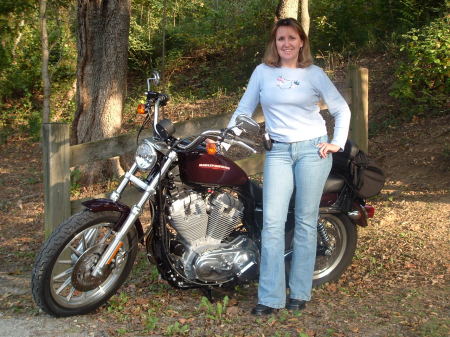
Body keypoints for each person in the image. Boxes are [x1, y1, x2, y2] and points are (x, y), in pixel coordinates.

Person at [227, 17, 351, 315]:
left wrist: (337, 142)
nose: (286, 44)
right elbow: (244, 108)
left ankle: (299, 292)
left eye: (292, 38)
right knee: (272, 223)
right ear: (275, 43)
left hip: (313, 151)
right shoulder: (263, 73)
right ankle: (270, 297)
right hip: (278, 153)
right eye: (281, 38)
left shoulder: (314, 74)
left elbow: (341, 108)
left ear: (302, 42)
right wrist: (226, 137)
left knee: (306, 221)